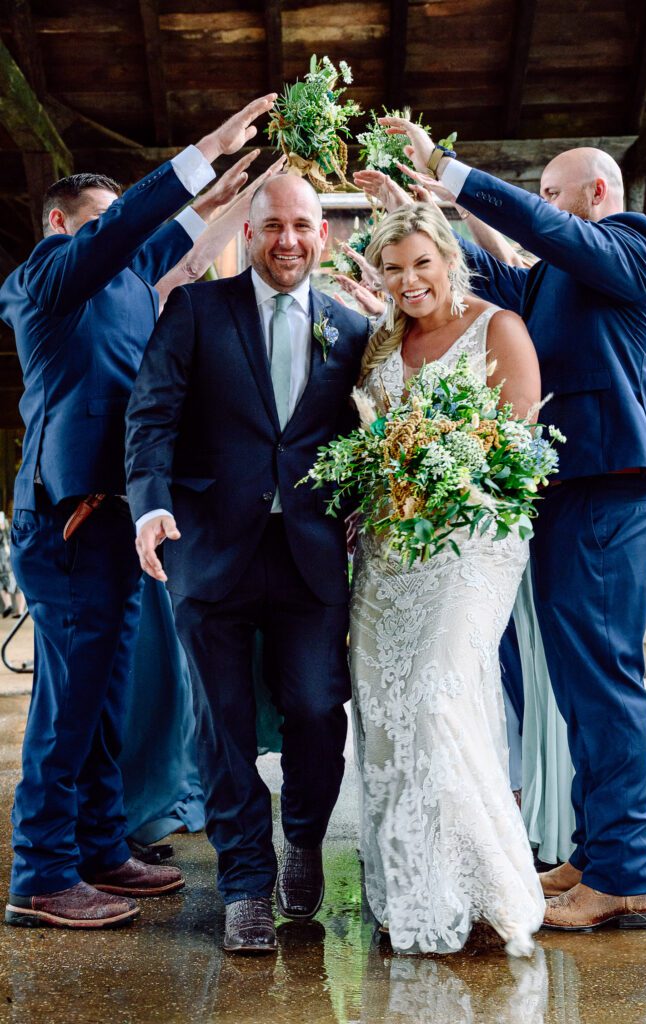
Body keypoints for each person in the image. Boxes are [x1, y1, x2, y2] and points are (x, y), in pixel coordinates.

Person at [385, 114, 646, 930]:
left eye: (553, 194)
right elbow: (485, 271)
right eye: (538, 193)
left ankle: (624, 876)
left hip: (605, 490)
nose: (542, 207)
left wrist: (451, 169)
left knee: (604, 684)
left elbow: (540, 232)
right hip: (564, 494)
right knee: (579, 688)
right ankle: (594, 850)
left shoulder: (636, 244)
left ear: (597, 192)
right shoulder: (552, 279)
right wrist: (417, 212)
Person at [0, 93, 277, 930]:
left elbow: (184, 243)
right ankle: (41, 873)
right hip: (69, 521)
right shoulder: (45, 278)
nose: (117, 233)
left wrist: (254, 177)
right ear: (61, 222)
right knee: (68, 702)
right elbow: (131, 231)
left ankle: (95, 843)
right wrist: (202, 150)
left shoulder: (125, 281)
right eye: (100, 222)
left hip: (118, 521)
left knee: (103, 696)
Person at [125, 172, 370, 954]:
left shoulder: (351, 327)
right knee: (221, 725)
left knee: (315, 706)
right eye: (273, 226)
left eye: (303, 225)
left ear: (322, 235)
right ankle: (243, 886)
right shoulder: (196, 310)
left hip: (312, 552)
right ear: (249, 232)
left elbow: (361, 436)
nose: (288, 240)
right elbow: (152, 413)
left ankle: (302, 838)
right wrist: (150, 501)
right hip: (208, 547)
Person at [350, 201, 545, 956]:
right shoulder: (378, 346)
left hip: (472, 546)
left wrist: (448, 477)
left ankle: (487, 882)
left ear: (447, 258)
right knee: (386, 717)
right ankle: (415, 890)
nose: (408, 281)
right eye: (393, 269)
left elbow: (522, 450)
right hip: (387, 555)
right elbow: (363, 442)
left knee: (437, 697)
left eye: (421, 264)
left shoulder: (498, 327)